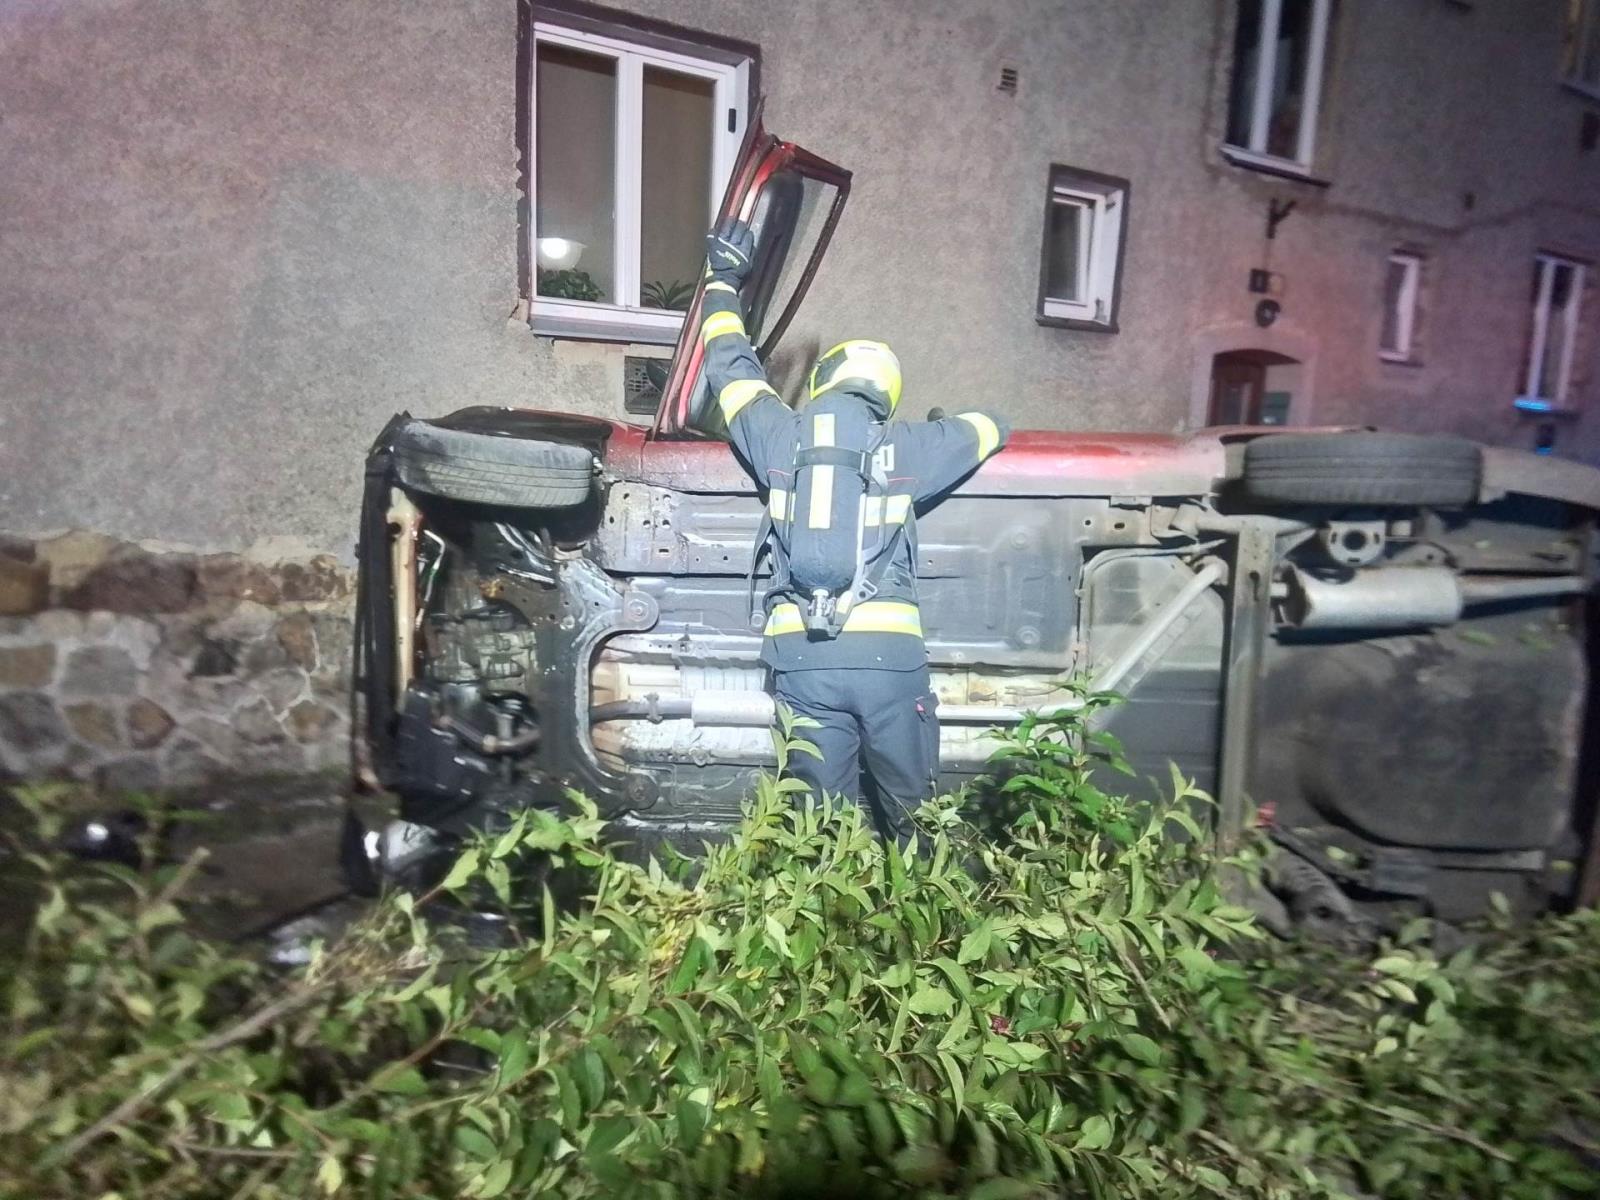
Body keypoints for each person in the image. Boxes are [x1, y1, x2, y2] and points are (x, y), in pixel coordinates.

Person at [699, 219, 1010, 840]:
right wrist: (946, 423)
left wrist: (721, 281)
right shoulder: (913, 445)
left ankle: (828, 898)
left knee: (820, 824)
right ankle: (918, 900)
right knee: (914, 817)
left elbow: (730, 368)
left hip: (803, 660)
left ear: (825, 380)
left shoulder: (777, 433)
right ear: (884, 391)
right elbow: (991, 426)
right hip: (890, 664)